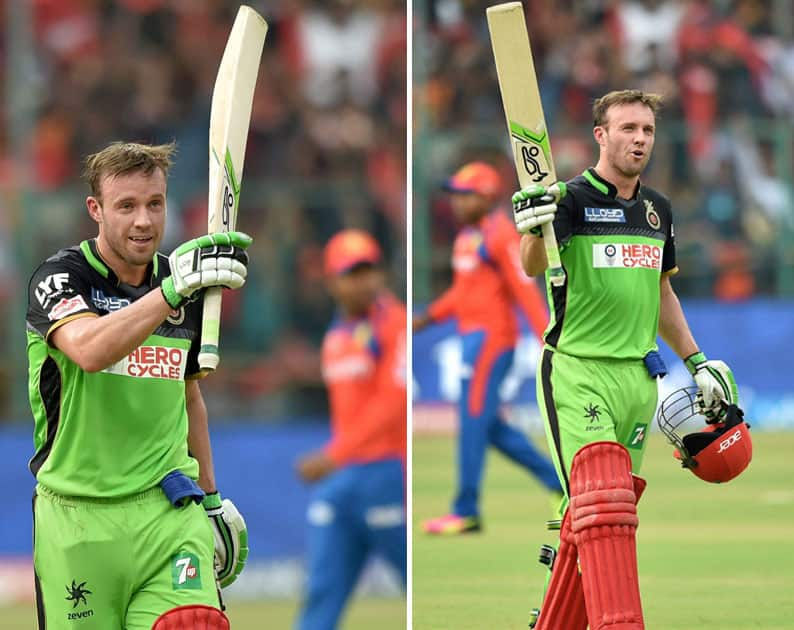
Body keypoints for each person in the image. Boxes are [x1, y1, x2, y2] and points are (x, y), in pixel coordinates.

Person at [511, 90, 738, 629]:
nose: (639, 139)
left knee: (601, 518)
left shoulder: (658, 210)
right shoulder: (567, 197)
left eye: (648, 130)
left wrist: (697, 360)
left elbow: (661, 294)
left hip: (638, 378)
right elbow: (532, 264)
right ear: (601, 135)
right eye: (628, 128)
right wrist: (531, 224)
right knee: (603, 506)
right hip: (577, 369)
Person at [26, 142, 251, 630]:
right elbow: (88, 350)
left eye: (155, 203)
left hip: (166, 510)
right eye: (126, 206)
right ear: (96, 210)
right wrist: (170, 294)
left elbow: (189, 396)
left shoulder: (181, 280)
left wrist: (210, 499)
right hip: (79, 516)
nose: (144, 221)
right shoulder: (61, 278)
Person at [414, 162, 563, 536]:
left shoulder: (500, 235)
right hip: (471, 340)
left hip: (491, 343)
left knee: (471, 423)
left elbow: (523, 289)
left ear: (485, 196)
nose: (457, 204)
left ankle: (465, 510)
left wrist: (548, 336)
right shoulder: (467, 237)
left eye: (465, 196)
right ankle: (562, 487)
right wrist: (427, 318)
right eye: (455, 196)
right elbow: (463, 294)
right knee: (490, 427)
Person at [295, 229, 407, 630]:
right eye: (352, 273)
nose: (364, 281)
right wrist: (338, 459)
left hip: (387, 473)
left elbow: (393, 406)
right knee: (322, 592)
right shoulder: (337, 333)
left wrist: (333, 456)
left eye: (369, 270)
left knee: (417, 585)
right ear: (331, 282)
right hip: (343, 483)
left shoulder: (394, 325)